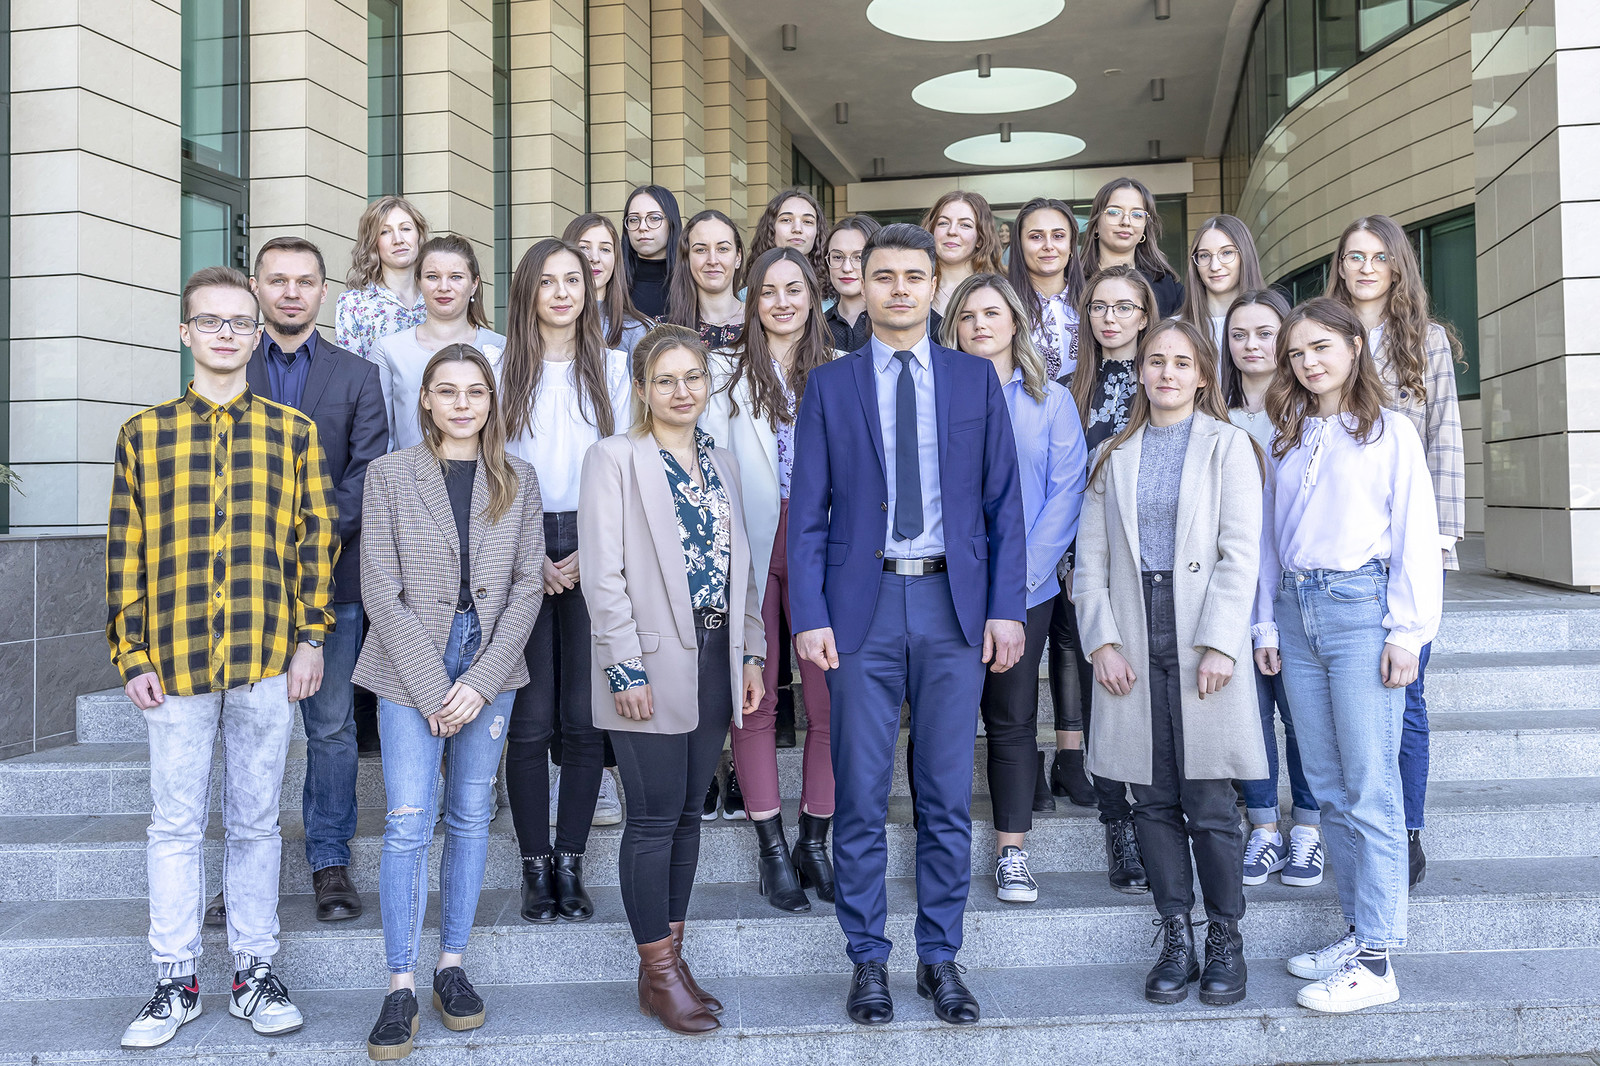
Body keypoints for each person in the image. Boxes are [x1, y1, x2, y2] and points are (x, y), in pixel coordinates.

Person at [789, 223, 1028, 1027]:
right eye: (883, 275)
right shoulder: (829, 385)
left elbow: (1003, 504)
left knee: (945, 795)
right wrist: (809, 615)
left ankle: (939, 957)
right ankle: (867, 958)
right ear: (862, 284)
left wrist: (1005, 606)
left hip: (952, 607)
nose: (898, 289)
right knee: (860, 794)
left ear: (934, 286)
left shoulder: (973, 380)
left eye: (912, 276)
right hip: (862, 611)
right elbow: (808, 514)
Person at [109, 266, 336, 1049]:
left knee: (255, 823)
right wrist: (130, 651)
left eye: (240, 322)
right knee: (174, 824)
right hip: (171, 662)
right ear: (186, 333)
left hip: (266, 656)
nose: (226, 334)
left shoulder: (292, 432)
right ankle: (174, 982)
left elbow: (315, 545)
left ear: (257, 334)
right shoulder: (142, 435)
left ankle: (253, 974)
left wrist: (311, 639)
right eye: (211, 321)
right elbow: (125, 552)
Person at [1254, 297, 1442, 1014]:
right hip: (1295, 612)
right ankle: (1360, 931)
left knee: (1370, 787)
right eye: (1296, 353)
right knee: (1327, 787)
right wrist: (1266, 626)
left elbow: (1416, 534)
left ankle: (1378, 960)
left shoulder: (1391, 431)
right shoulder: (1288, 433)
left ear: (1355, 347)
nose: (1308, 362)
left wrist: (1407, 632)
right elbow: (1270, 541)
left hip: (1361, 610)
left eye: (1321, 347)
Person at [356, 344, 545, 1060]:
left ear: (492, 401)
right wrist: (435, 688)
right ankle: (400, 984)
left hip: (488, 659)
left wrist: (480, 680)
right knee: (409, 821)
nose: (462, 404)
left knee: (469, 816)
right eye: (447, 391)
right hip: (408, 659)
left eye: (475, 391)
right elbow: (380, 589)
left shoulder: (517, 478)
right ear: (426, 401)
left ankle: (451, 967)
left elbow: (527, 585)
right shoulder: (390, 475)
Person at [578, 324, 765, 1036]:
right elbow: (603, 575)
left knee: (689, 813)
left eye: (693, 378)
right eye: (666, 380)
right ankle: (658, 975)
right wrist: (623, 666)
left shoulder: (720, 462)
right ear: (641, 388)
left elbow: (741, 565)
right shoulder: (615, 458)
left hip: (716, 656)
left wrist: (751, 654)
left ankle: (671, 964)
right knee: (654, 817)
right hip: (648, 659)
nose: (682, 391)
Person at [1075, 319, 1265, 1007]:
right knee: (1150, 797)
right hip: (1132, 628)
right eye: (1156, 361)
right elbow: (1089, 563)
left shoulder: (1228, 446)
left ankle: (1225, 938)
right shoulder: (1113, 455)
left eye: (1182, 363)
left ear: (1203, 374)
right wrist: (1101, 641)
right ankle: (1176, 934)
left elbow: (1241, 554)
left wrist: (1221, 642)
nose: (1167, 373)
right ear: (1140, 371)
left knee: (1209, 799)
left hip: (1199, 631)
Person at [244, 236, 387, 923]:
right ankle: (246, 868)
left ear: (324, 291)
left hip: (333, 579)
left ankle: (330, 861)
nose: (292, 292)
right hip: (244, 587)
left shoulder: (357, 375)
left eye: (304, 281)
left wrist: (306, 535)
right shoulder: (229, 366)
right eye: (278, 280)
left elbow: (366, 473)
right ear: (257, 288)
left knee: (330, 728)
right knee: (251, 730)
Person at [1326, 215, 1465, 886]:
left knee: (1405, 697)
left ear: (1398, 266)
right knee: (1344, 703)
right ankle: (1355, 820)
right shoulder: (1321, 333)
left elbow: (1445, 440)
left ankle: (1406, 828)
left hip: (1407, 548)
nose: (1365, 268)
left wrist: (1439, 543)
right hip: (1339, 553)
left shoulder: (1425, 341)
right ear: (1340, 266)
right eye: (1354, 256)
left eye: (1378, 257)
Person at [498, 238, 634, 925]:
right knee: (528, 721)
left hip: (595, 541)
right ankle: (535, 865)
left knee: (583, 718)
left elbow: (627, 464)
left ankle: (571, 862)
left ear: (589, 290)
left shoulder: (615, 369)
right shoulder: (497, 367)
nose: (560, 293)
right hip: (515, 542)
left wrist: (588, 548)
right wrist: (531, 555)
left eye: (572, 280)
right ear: (527, 290)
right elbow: (488, 469)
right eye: (547, 281)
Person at [941, 272, 1086, 904]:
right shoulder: (935, 397)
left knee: (1013, 719)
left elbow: (1066, 492)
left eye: (991, 314)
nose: (979, 325)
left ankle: (1011, 852)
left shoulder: (1049, 401)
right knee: (941, 722)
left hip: (1026, 589)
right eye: (967, 315)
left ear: (1014, 324)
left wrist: (1018, 581)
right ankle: (937, 846)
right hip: (944, 587)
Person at [705, 248, 842, 912]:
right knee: (753, 697)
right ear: (751, 301)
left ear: (814, 296)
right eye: (768, 291)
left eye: (794, 289)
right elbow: (707, 466)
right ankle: (771, 848)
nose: (782, 302)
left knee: (829, 702)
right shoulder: (722, 373)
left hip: (827, 549)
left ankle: (814, 842)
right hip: (749, 549)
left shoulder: (844, 370)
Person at [1052, 265, 1160, 892]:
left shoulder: (1165, 378)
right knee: (1104, 694)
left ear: (1145, 316)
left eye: (1123, 307)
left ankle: (1160, 819)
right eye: (1098, 307)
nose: (1110, 317)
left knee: (1154, 695)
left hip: (1157, 564)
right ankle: (1119, 828)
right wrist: (1068, 563)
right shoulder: (1067, 389)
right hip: (1087, 563)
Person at [1222, 289, 1326, 889]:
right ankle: (1263, 827)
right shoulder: (1215, 413)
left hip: (1296, 586)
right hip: (1231, 582)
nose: (1252, 345)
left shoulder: (1309, 415)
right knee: (1250, 711)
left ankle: (1307, 827)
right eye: (1239, 335)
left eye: (1265, 333)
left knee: (1301, 711)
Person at [371, 235, 506, 451]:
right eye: (432, 277)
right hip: (409, 471)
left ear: (474, 284)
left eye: (456, 277)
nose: (444, 287)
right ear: (418, 281)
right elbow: (379, 436)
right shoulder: (388, 350)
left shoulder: (502, 348)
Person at [338, 195, 431, 361]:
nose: (398, 240)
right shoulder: (353, 304)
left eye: (405, 229)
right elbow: (349, 370)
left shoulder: (439, 295)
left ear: (419, 234)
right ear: (372, 242)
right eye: (385, 232)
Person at [1080, 177, 1185, 319]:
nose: (1126, 222)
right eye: (1114, 212)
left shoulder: (1167, 287)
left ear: (1145, 227)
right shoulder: (1072, 281)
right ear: (1096, 225)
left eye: (1137, 215)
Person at [1008, 197, 1086, 380]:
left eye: (1058, 236)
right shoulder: (1003, 305)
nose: (1048, 246)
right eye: (1036, 237)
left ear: (1071, 245)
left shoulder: (1092, 303)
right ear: (1020, 245)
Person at [564, 212, 654, 356]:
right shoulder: (550, 322)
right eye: (584, 247)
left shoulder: (639, 329)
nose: (594, 258)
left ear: (615, 258)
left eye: (605, 249)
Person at [1180, 215, 1266, 353]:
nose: (1214, 266)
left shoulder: (1274, 324)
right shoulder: (1176, 329)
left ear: (1245, 256)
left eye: (1226, 252)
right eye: (1204, 255)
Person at [664, 209, 746, 350]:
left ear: (738, 257)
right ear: (687, 258)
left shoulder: (763, 323)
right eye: (701, 250)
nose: (712, 260)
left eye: (722, 249)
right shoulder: (665, 331)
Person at [923, 191, 1003, 316]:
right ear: (931, 231)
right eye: (943, 223)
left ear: (980, 239)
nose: (952, 231)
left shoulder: (999, 291)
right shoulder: (913, 288)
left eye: (965, 225)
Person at [622, 184, 683, 319]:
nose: (642, 227)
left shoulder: (691, 281)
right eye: (634, 219)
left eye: (654, 218)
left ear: (672, 223)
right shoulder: (613, 282)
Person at [823, 214, 882, 352]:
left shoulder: (894, 322)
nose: (846, 268)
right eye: (838, 257)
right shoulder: (815, 327)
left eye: (859, 257)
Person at [747, 188, 830, 285]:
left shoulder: (835, 290)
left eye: (807, 221)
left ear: (817, 231)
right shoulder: (748, 292)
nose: (797, 229)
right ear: (770, 228)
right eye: (786, 220)